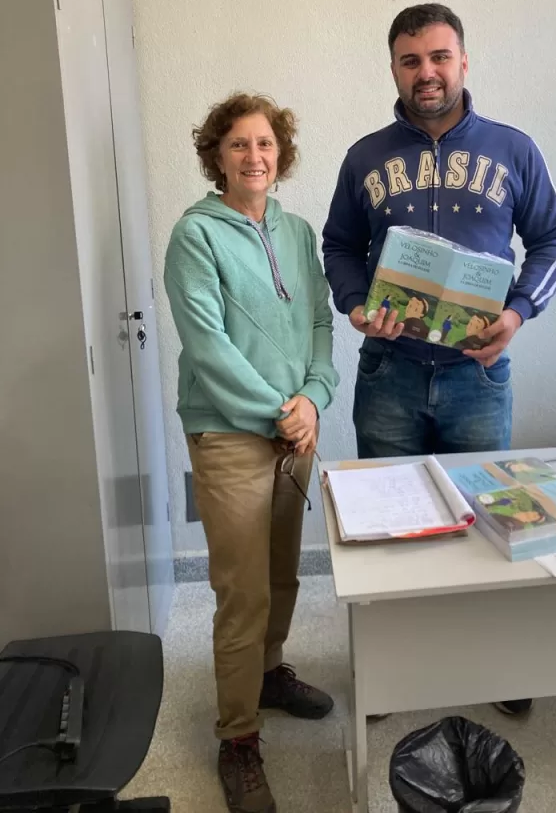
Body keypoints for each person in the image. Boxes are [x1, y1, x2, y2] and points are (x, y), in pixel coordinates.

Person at [322, 3, 556, 716]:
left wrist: (518, 313)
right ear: (394, 68)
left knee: (490, 524)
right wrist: (353, 302)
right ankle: (390, 669)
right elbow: (339, 245)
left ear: (463, 61)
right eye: (410, 60)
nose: (425, 73)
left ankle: (491, 665)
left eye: (438, 57)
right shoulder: (364, 157)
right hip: (390, 372)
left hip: (477, 375)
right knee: (387, 532)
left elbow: (553, 239)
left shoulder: (513, 150)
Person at [165, 93, 339, 813]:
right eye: (238, 144)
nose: (254, 156)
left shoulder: (297, 233)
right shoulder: (194, 237)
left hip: (296, 429)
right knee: (244, 595)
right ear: (217, 156)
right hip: (233, 435)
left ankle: (268, 675)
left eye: (265, 143)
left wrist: (315, 399)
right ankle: (237, 740)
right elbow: (208, 348)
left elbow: (322, 322)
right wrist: (279, 412)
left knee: (283, 575)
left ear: (281, 153)